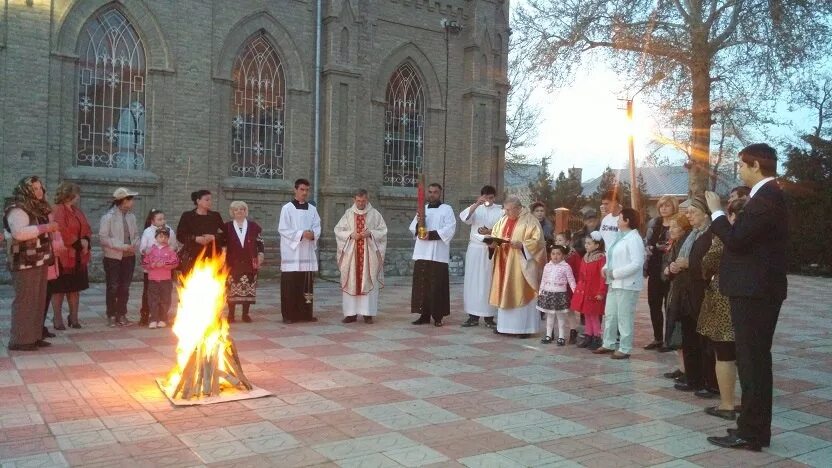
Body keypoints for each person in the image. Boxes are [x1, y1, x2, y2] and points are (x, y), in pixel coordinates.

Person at [706, 143, 788, 452]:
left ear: (755, 166)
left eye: (742, 165)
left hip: (755, 293)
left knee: (753, 363)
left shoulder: (767, 198)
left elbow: (737, 241)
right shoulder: (764, 197)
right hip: (754, 291)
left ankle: (751, 433)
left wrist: (716, 212)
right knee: (753, 361)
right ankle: (751, 428)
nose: (739, 170)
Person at [698, 198, 746, 421]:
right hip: (750, 300)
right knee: (747, 355)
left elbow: (709, 260)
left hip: (724, 297)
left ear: (733, 216)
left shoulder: (725, 235)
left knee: (724, 352)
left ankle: (727, 404)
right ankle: (748, 403)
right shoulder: (761, 236)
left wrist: (705, 274)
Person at [4, 176, 59, 351]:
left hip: (39, 259)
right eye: (35, 188)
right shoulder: (17, 208)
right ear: (26, 190)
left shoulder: (37, 208)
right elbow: (19, 233)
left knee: (37, 300)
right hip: (24, 262)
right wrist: (45, 228)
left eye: (40, 187)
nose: (40, 191)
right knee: (25, 300)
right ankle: (20, 340)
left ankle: (34, 336)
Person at [671, 198, 717, 397]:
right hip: (686, 291)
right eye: (687, 212)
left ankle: (710, 382)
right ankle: (693, 377)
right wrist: (674, 265)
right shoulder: (691, 235)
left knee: (704, 340)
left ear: (705, 215)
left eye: (692, 212)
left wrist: (687, 264)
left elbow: (710, 263)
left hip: (702, 292)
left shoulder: (711, 235)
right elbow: (680, 257)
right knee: (689, 336)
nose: (688, 216)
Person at [487, 196, 546, 338]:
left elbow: (538, 242)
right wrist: (492, 244)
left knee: (520, 291)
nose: (506, 212)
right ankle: (504, 326)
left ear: (518, 208)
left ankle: (524, 329)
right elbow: (495, 235)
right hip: (503, 262)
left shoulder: (531, 220)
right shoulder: (503, 220)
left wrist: (523, 245)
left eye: (509, 210)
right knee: (504, 290)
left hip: (521, 264)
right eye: (505, 209)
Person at [593, 208, 645, 359]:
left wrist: (615, 273)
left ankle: (625, 347)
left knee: (624, 316)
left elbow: (637, 263)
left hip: (627, 284)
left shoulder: (634, 239)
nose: (616, 220)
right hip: (614, 283)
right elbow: (611, 256)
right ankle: (608, 343)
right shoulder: (619, 236)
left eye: (620, 218)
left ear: (627, 221)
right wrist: (605, 268)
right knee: (610, 314)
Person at [334, 189, 388, 324]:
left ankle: (367, 313)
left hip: (369, 255)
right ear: (354, 200)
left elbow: (383, 231)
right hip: (352, 255)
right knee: (351, 281)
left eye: (363, 200)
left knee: (368, 280)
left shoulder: (375, 214)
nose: (360, 203)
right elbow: (338, 230)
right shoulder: (348, 214)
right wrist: (350, 235)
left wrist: (370, 233)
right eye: (358, 201)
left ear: (367, 199)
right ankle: (350, 314)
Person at [409, 183, 456, 326]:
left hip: (437, 254)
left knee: (437, 286)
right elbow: (413, 228)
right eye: (430, 192)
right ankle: (424, 315)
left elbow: (450, 227)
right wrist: (418, 223)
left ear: (440, 193)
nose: (432, 194)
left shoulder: (446, 209)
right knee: (422, 285)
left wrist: (431, 235)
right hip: (422, 252)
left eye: (435, 192)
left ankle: (438, 317)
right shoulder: (422, 209)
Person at [278, 179, 322, 324]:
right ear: (295, 190)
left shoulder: (312, 209)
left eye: (307, 190)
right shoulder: (287, 208)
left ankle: (306, 314)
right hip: (292, 253)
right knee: (291, 285)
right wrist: (302, 234)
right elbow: (283, 229)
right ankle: (289, 315)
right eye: (302, 189)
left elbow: (317, 226)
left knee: (306, 284)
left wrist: (313, 234)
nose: (305, 193)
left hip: (306, 252)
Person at [50, 182, 92, 330]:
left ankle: (74, 317)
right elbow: (60, 230)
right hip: (63, 256)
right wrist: (78, 243)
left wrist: (86, 240)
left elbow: (86, 227)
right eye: (77, 194)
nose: (78, 197)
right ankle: (57, 318)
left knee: (75, 288)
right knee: (59, 289)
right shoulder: (57, 210)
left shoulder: (77, 211)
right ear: (69, 195)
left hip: (77, 256)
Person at [459, 185, 502, 328]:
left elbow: (503, 231)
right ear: (482, 196)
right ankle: (473, 316)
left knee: (488, 282)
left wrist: (489, 231)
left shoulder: (500, 211)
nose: (488, 200)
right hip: (475, 250)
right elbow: (464, 218)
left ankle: (489, 317)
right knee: (473, 282)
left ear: (494, 197)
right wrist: (477, 203)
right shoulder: (477, 208)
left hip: (490, 249)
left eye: (491, 197)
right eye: (486, 197)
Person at [99, 187, 140, 327]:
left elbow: (135, 235)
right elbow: (104, 238)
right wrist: (121, 246)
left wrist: (134, 243)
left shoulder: (131, 216)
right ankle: (111, 314)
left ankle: (122, 313)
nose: (132, 202)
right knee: (113, 286)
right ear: (122, 201)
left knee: (125, 286)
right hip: (113, 257)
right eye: (130, 199)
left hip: (129, 256)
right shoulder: (108, 217)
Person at [643, 195, 679, 350]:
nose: (664, 208)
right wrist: (649, 248)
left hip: (669, 270)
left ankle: (669, 340)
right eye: (662, 205)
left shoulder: (678, 224)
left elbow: (676, 245)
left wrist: (662, 247)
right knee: (653, 304)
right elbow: (647, 241)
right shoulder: (654, 223)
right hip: (654, 267)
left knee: (669, 306)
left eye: (667, 205)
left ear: (674, 207)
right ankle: (657, 338)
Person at [661, 213, 693, 380]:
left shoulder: (686, 242)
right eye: (671, 227)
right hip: (675, 289)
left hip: (683, 291)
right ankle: (682, 367)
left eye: (675, 227)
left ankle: (688, 369)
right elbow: (667, 262)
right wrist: (667, 269)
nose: (671, 230)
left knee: (681, 331)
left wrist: (674, 267)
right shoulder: (675, 243)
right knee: (675, 329)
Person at [224, 201, 265, 323]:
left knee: (248, 288)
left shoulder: (253, 227)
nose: (239, 212)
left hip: (249, 261)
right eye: (236, 210)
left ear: (245, 211)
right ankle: (231, 315)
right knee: (231, 288)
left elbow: (260, 242)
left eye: (242, 209)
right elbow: (222, 243)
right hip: (232, 262)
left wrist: (261, 254)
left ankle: (245, 314)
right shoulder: (227, 227)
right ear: (232, 212)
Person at [139, 209, 178, 326]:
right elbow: (142, 249)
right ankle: (147, 316)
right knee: (150, 295)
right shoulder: (147, 231)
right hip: (152, 272)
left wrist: (169, 252)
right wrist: (150, 254)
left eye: (163, 219)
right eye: (159, 219)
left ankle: (163, 317)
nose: (162, 221)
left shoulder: (169, 230)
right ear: (153, 221)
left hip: (165, 272)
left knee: (165, 295)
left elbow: (174, 247)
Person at [177, 190, 225, 276]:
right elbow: (180, 235)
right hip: (192, 255)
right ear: (198, 201)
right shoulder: (187, 216)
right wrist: (195, 238)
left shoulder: (215, 216)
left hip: (212, 255)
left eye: (211, 199)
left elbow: (226, 234)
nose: (210, 202)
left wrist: (213, 237)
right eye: (207, 200)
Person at [572, 232, 607, 350]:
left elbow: (603, 277)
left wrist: (601, 292)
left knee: (594, 316)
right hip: (585, 291)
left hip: (594, 292)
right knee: (586, 314)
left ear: (597, 245)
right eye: (585, 243)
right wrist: (579, 289)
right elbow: (581, 275)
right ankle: (588, 336)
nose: (586, 245)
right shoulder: (585, 257)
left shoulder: (601, 258)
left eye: (589, 243)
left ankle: (596, 337)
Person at [537, 245, 577, 345]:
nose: (555, 256)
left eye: (558, 254)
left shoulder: (566, 267)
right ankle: (548, 335)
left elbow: (571, 280)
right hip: (548, 293)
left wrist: (575, 292)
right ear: (550, 255)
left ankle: (561, 337)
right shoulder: (547, 266)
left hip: (560, 294)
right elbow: (543, 279)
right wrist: (541, 291)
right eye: (553, 254)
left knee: (561, 317)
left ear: (563, 256)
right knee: (549, 316)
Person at [556, 231, 580, 343]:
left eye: (560, 240)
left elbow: (578, 272)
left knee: (569, 310)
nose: (557, 242)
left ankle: (573, 331)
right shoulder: (556, 254)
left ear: (567, 242)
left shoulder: (573, 255)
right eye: (556, 240)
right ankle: (553, 332)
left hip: (569, 287)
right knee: (557, 310)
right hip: (557, 286)